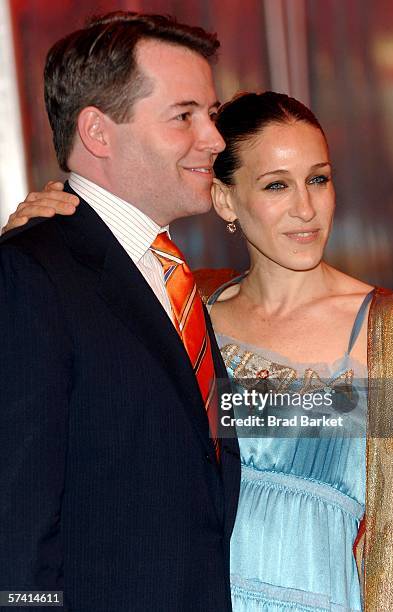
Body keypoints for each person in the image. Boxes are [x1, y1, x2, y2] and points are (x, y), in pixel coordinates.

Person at [5, 90, 393, 610]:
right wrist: (37, 242)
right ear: (225, 200)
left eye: (319, 178)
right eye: (276, 186)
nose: (306, 208)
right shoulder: (182, 307)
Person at [0, 11, 241, 612]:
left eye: (211, 115)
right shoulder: (32, 274)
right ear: (98, 132)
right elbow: (15, 519)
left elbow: (208, 430)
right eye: (185, 116)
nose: (214, 139)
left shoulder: (180, 282)